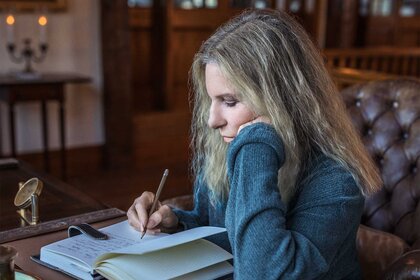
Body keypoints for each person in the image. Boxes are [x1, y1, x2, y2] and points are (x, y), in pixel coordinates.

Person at [127, 8, 381, 279]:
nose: (212, 120)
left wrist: (257, 145)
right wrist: (175, 223)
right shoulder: (225, 147)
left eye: (230, 101)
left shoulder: (336, 180)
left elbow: (261, 272)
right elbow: (215, 227)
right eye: (211, 100)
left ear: (281, 101)